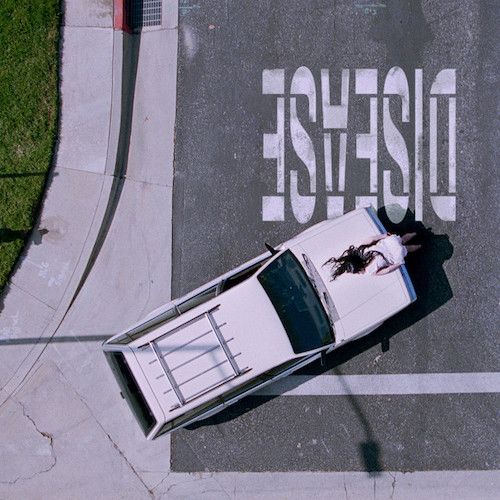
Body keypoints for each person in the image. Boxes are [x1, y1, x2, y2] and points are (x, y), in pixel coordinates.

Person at [323, 232, 421, 280]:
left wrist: (398, 264)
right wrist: (383, 235)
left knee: (408, 248)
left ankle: (420, 245)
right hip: (389, 243)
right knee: (403, 239)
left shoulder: (370, 271)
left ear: (359, 268)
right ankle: (416, 232)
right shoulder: (361, 250)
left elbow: (387, 270)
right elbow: (371, 239)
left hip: (395, 254)